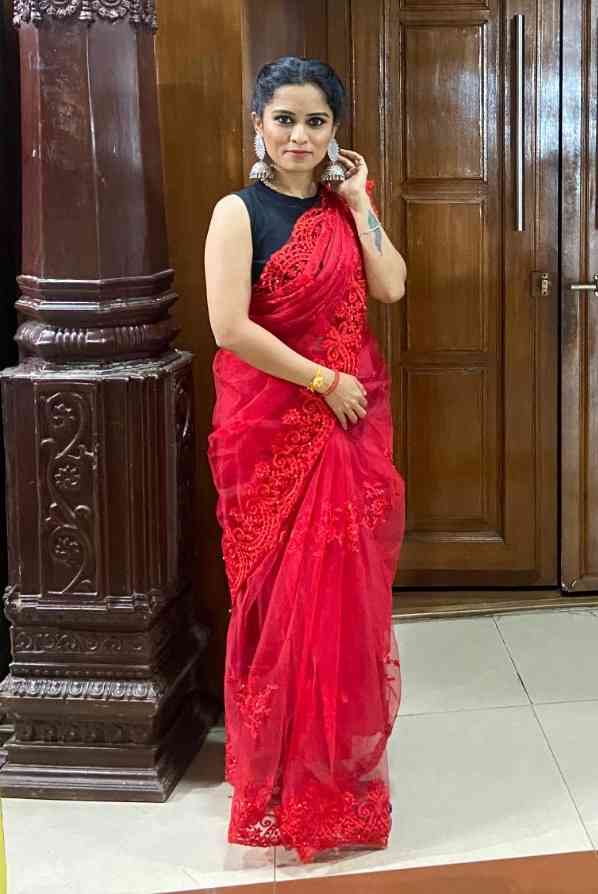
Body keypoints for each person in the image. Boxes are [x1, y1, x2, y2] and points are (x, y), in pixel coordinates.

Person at [204, 56, 407, 864]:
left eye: (316, 121)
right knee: (280, 602)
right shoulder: (237, 212)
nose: (299, 136)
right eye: (284, 119)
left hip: (349, 425)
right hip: (275, 428)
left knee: (342, 599)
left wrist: (360, 203)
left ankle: (335, 777)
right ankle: (279, 782)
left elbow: (391, 286)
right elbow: (230, 328)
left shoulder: (340, 208)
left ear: (334, 131)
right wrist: (324, 381)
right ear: (258, 122)